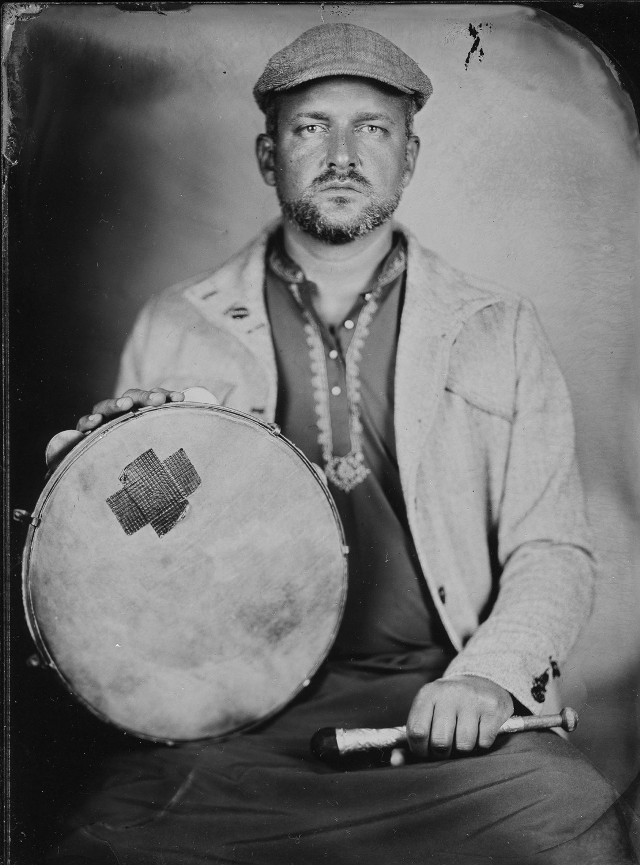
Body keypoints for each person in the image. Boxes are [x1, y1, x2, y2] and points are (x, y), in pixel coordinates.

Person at [45, 23, 635, 865]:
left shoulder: (495, 327)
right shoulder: (181, 326)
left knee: (582, 837)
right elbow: (142, 559)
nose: (343, 154)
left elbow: (554, 547)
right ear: (266, 155)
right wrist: (104, 472)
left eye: (374, 128)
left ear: (411, 156)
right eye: (311, 127)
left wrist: (489, 677)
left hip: (438, 706)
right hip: (234, 721)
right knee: (91, 849)